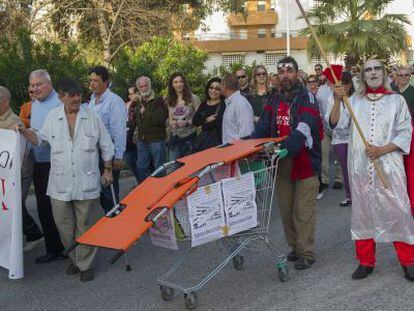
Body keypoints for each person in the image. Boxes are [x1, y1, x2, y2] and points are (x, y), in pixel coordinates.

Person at [19, 78, 115, 282]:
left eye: (79, 94)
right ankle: (75, 258)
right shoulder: (53, 117)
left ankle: (86, 264)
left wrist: (107, 170)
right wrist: (24, 131)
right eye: (72, 95)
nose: (77, 98)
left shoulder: (92, 116)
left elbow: (106, 145)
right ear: (61, 96)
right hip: (60, 184)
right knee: (65, 227)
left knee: (86, 226)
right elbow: (40, 140)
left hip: (86, 182)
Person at [329, 59, 414, 282]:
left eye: (377, 69)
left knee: (398, 210)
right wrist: (338, 100)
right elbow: (336, 124)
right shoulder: (354, 101)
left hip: (390, 165)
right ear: (363, 76)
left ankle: (408, 261)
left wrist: (382, 149)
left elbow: (406, 132)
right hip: (360, 167)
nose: (373, 72)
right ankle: (365, 261)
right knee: (363, 213)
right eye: (368, 70)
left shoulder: (397, 101)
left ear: (384, 73)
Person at [251, 56, 322, 270]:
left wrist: (287, 148)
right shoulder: (274, 99)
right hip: (281, 163)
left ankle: (306, 252)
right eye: (281, 71)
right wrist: (246, 146)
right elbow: (262, 128)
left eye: (289, 71)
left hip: (305, 161)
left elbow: (304, 128)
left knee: (303, 210)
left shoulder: (307, 98)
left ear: (297, 73)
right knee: (286, 209)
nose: (285, 75)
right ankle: (295, 247)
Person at [29, 69, 65, 263]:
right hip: (39, 163)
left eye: (39, 84)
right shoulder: (35, 105)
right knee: (43, 207)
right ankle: (53, 249)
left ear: (49, 84)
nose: (35, 89)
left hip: (56, 162)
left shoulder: (59, 103)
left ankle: (68, 247)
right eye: (33, 85)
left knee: (60, 207)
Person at [88, 66, 127, 213]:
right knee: (100, 192)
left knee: (109, 192)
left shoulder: (114, 102)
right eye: (90, 80)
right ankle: (109, 220)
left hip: (108, 153)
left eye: (96, 80)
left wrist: (118, 156)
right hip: (94, 152)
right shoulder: (92, 101)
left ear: (106, 82)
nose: (92, 84)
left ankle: (116, 222)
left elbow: (119, 131)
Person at [19, 86, 44, 252]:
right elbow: (25, 125)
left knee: (16, 202)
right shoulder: (25, 107)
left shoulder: (46, 106)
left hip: (32, 158)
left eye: (36, 89)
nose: (33, 93)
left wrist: (27, 127)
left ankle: (35, 234)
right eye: (30, 92)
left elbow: (23, 126)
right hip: (26, 156)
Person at [324, 71, 354, 207]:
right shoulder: (331, 99)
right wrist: (337, 101)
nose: (342, 87)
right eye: (339, 84)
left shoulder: (356, 99)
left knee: (357, 168)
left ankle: (361, 195)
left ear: (349, 85)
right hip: (340, 140)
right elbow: (332, 123)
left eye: (345, 84)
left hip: (355, 140)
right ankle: (349, 196)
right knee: (346, 169)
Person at [316, 65, 344, 199]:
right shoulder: (321, 90)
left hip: (339, 128)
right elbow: (319, 108)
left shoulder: (342, 89)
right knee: (323, 154)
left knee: (339, 154)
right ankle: (324, 180)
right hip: (325, 127)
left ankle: (339, 178)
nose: (329, 79)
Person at [134, 76, 168, 183]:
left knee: (160, 167)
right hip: (142, 140)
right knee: (141, 167)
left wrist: (145, 112)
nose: (144, 88)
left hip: (156, 139)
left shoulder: (158, 100)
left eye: (145, 86)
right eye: (141, 86)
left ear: (150, 86)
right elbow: (137, 120)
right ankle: (148, 189)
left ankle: (161, 189)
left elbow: (159, 120)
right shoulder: (139, 101)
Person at [166, 73, 200, 160]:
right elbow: (170, 120)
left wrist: (188, 122)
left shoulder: (193, 98)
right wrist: (172, 123)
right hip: (175, 139)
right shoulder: (169, 100)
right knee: (173, 168)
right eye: (175, 82)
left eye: (181, 81)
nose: (178, 84)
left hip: (190, 138)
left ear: (184, 83)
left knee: (191, 168)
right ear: (172, 85)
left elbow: (200, 118)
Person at [193, 77, 226, 151]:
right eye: (211, 87)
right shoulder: (204, 104)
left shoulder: (224, 104)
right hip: (203, 142)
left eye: (217, 89)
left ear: (221, 91)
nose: (213, 90)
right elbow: (195, 121)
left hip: (218, 142)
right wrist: (206, 119)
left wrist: (203, 124)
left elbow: (219, 123)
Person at [221, 73, 254, 144]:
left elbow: (246, 134)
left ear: (225, 86)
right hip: (229, 151)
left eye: (221, 84)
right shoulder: (230, 102)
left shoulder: (241, 103)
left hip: (238, 151)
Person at [124, 85, 139, 182]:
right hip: (127, 138)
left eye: (132, 94)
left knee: (141, 164)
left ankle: (143, 183)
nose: (130, 96)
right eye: (129, 94)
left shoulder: (141, 104)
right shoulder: (126, 105)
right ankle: (140, 181)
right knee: (130, 162)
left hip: (137, 137)